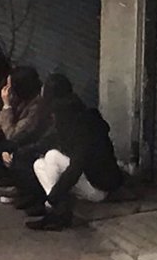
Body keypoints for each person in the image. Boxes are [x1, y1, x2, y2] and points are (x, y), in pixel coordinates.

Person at [20, 75, 126, 232]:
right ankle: (56, 209)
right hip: (87, 178)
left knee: (52, 157)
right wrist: (20, 151)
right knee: (39, 164)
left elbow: (77, 166)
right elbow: (48, 141)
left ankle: (56, 210)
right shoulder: (70, 119)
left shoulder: (82, 127)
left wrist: (54, 195)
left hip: (98, 187)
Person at [0, 66, 51, 190]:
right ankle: (0, 172)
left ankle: (13, 181)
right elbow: (1, 119)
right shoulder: (20, 98)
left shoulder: (36, 107)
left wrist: (7, 106)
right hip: (17, 138)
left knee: (5, 141)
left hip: (29, 144)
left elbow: (14, 134)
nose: (7, 89)